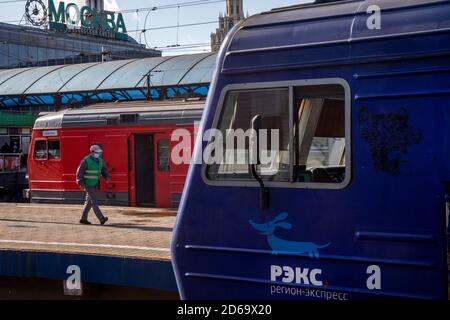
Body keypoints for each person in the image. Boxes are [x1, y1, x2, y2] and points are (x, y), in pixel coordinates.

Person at [76, 145, 110, 225]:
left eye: (99, 152)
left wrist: (107, 177)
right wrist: (80, 183)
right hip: (88, 184)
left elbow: (104, 170)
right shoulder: (85, 161)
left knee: (89, 202)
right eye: (97, 152)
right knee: (94, 201)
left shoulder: (100, 161)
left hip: (95, 183)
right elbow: (79, 173)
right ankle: (101, 218)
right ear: (92, 152)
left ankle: (83, 219)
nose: (99, 154)